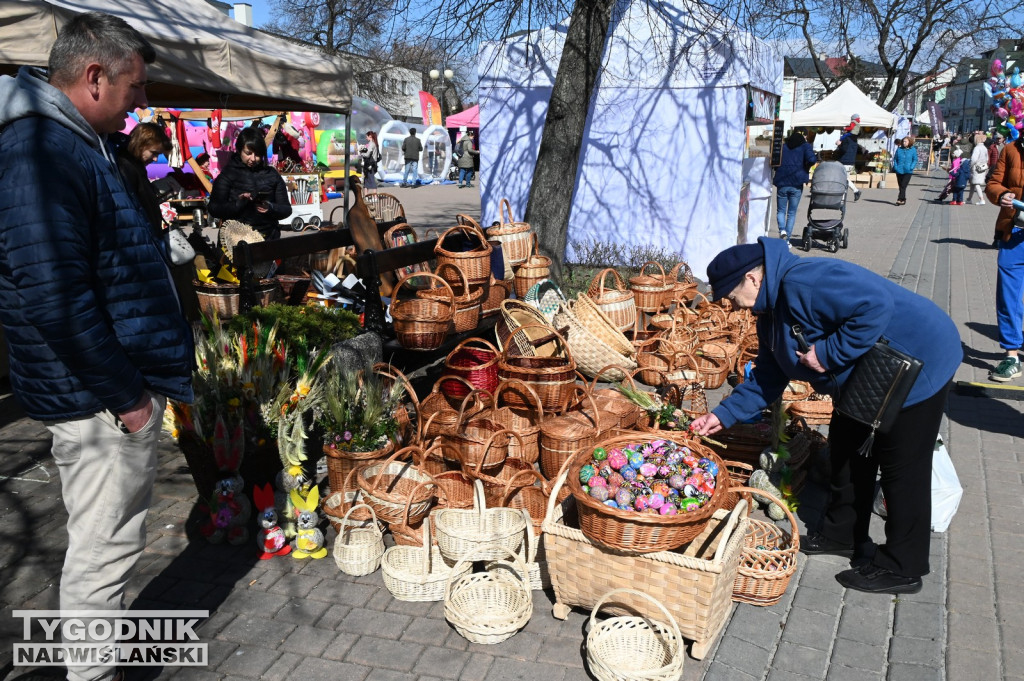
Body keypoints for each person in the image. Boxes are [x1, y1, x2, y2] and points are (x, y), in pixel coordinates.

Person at [0, 12, 194, 681]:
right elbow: (53, 294)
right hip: (99, 399)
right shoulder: (44, 150)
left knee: (102, 548)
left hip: (95, 392)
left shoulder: (73, 142)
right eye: (134, 88)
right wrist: (129, 398)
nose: (141, 103)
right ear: (93, 77)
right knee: (101, 554)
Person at [691, 238, 961, 595]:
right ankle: (844, 534)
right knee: (846, 449)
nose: (730, 304)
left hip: (919, 362)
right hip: (871, 379)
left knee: (902, 467)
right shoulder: (768, 315)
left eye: (730, 293)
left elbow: (874, 306)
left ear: (753, 280)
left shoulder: (807, 280)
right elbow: (770, 377)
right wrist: (723, 416)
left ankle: (903, 566)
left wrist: (829, 353)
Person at [116, 123, 201, 322]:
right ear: (140, 143)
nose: (155, 159)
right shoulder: (125, 167)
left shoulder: (135, 167)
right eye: (154, 153)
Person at [985, 133, 1024, 381]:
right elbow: (993, 182)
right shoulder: (1011, 149)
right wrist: (1001, 194)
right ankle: (1011, 355)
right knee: (1008, 295)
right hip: (1015, 232)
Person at [208, 126, 291, 240]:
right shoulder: (228, 174)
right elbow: (214, 208)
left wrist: (270, 208)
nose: (253, 158)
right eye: (248, 153)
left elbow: (286, 209)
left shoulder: (272, 174)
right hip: (236, 240)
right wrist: (238, 204)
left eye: (257, 154)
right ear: (239, 149)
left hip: (268, 239)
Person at [773, 130, 817, 242]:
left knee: (781, 211)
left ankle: (782, 230)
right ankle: (787, 240)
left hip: (782, 182)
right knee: (791, 213)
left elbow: (774, 161)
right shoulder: (805, 146)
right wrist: (805, 167)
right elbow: (812, 159)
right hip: (797, 183)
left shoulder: (783, 146)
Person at [836, 115, 862, 202]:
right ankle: (853, 193)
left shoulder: (847, 139)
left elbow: (843, 149)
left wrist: (839, 145)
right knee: (845, 179)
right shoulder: (855, 140)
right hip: (851, 161)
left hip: (845, 161)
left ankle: (854, 192)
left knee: (843, 179)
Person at [891, 137, 917, 206]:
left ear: (909, 142)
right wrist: (896, 167)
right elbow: (895, 159)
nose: (904, 143)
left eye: (905, 141)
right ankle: (903, 199)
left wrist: (911, 167)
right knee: (901, 186)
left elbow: (915, 159)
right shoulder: (899, 149)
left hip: (908, 170)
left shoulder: (913, 150)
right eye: (903, 141)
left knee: (903, 185)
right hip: (899, 170)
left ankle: (899, 199)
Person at [969, 137, 990, 205]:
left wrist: (970, 165)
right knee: (973, 183)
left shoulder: (977, 148)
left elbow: (974, 159)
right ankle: (969, 199)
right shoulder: (984, 148)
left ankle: (981, 199)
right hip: (983, 167)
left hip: (976, 167)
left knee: (976, 183)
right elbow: (987, 158)